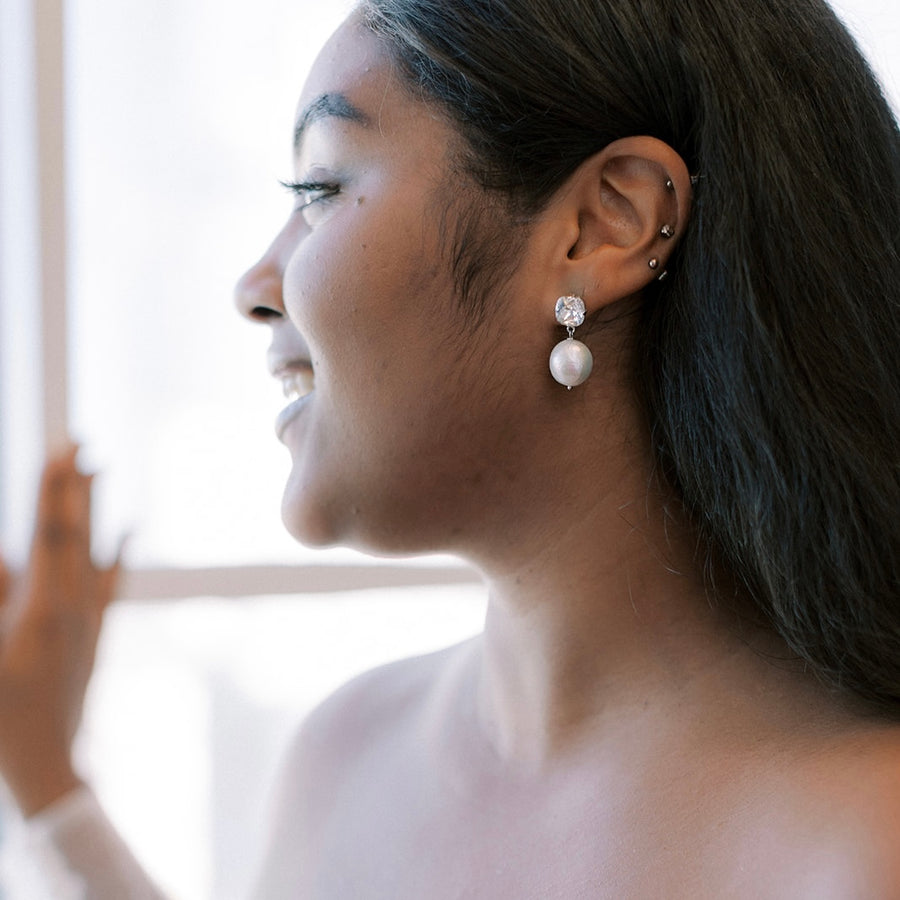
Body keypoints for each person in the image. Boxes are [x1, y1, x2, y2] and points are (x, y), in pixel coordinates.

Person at [1, 0, 899, 895]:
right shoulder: (342, 762)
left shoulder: (867, 840)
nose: (253, 287)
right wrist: (46, 784)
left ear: (606, 224)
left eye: (320, 191)